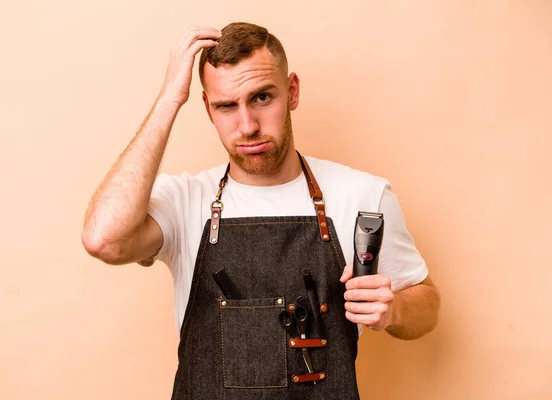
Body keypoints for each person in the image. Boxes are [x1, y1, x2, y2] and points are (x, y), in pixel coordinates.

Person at [82, 22, 440, 400]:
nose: (248, 126)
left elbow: (427, 305)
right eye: (226, 106)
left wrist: (395, 309)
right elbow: (103, 240)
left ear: (293, 92)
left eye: (262, 98)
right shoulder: (184, 199)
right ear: (207, 108)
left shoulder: (361, 194)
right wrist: (169, 99)